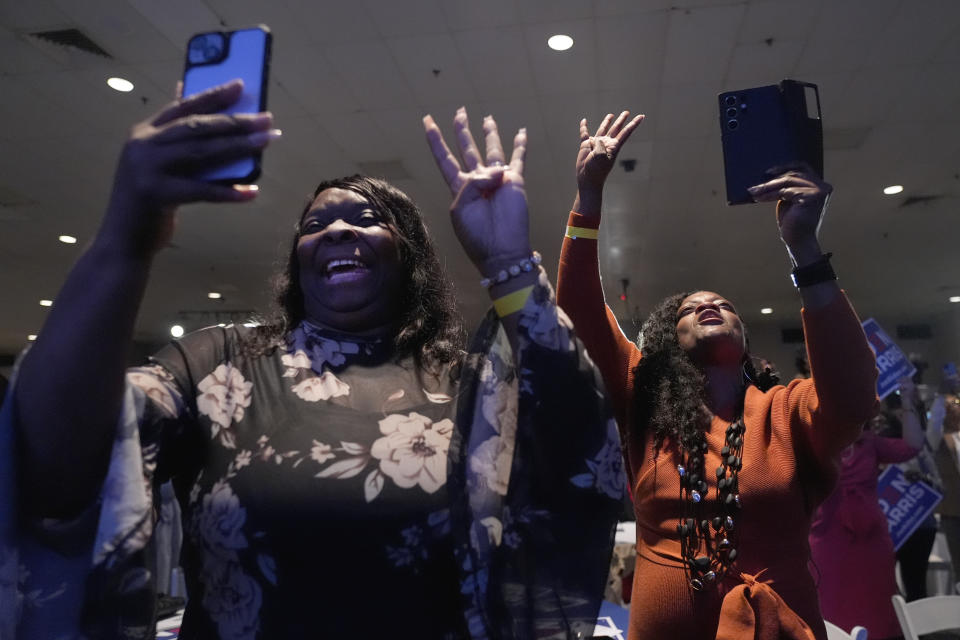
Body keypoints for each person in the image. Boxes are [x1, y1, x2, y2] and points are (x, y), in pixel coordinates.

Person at [1, 83, 623, 638]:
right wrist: (125, 237)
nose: (335, 231)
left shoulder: (465, 385)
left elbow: (579, 447)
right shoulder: (223, 364)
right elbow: (58, 454)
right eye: (316, 224)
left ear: (407, 256)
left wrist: (508, 267)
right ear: (300, 260)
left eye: (367, 219)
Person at [556, 111, 878, 640]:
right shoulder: (645, 398)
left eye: (723, 305)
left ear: (746, 341)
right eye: (691, 309)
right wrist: (587, 199)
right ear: (667, 340)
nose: (708, 306)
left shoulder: (785, 410)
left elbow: (852, 395)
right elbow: (580, 317)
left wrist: (805, 248)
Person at [808, 378, 923, 639]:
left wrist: (906, 400)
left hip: (871, 541)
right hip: (829, 539)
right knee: (832, 602)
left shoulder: (870, 443)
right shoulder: (814, 444)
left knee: (877, 599)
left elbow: (913, 446)